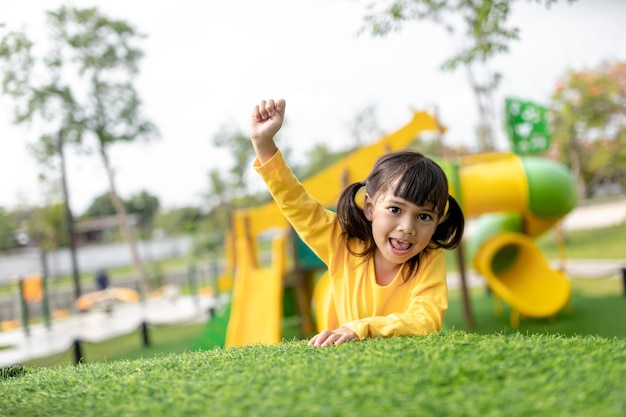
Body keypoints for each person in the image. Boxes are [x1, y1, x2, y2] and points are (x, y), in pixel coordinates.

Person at [249, 98, 464, 347]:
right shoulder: (342, 242)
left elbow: (426, 319)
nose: (407, 227)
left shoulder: (429, 257)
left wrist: (361, 327)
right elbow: (298, 205)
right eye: (395, 209)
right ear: (370, 207)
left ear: (438, 221)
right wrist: (263, 144)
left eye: (424, 216)